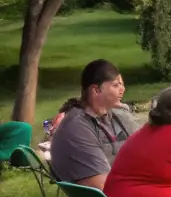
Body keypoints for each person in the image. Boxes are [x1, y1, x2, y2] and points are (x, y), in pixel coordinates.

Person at [48, 59, 140, 187]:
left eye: (122, 84)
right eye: (116, 85)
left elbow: (147, 149)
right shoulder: (77, 128)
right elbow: (104, 188)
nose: (122, 89)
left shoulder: (116, 115)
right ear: (96, 90)